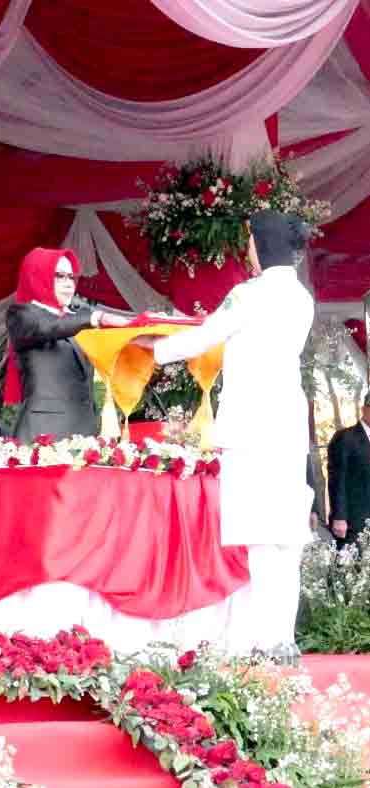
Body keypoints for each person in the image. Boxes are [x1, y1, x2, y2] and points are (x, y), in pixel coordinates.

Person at [135, 210, 315, 658]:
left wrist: (151, 348)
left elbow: (205, 337)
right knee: (284, 535)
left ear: (262, 243)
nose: (248, 249)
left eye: (251, 240)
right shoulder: (301, 295)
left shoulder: (249, 294)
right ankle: (282, 637)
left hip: (252, 424)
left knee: (256, 535)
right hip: (287, 423)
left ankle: (258, 640)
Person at [4, 247, 129, 442]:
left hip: (84, 430)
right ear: (39, 276)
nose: (68, 284)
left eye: (71, 277)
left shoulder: (78, 317)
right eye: (59, 276)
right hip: (42, 434)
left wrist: (148, 331)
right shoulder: (22, 315)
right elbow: (50, 326)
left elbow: (116, 340)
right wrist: (98, 317)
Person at [327, 393, 370, 546]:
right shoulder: (345, 438)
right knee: (353, 568)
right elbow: (337, 479)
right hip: (353, 522)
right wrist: (339, 517)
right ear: (364, 409)